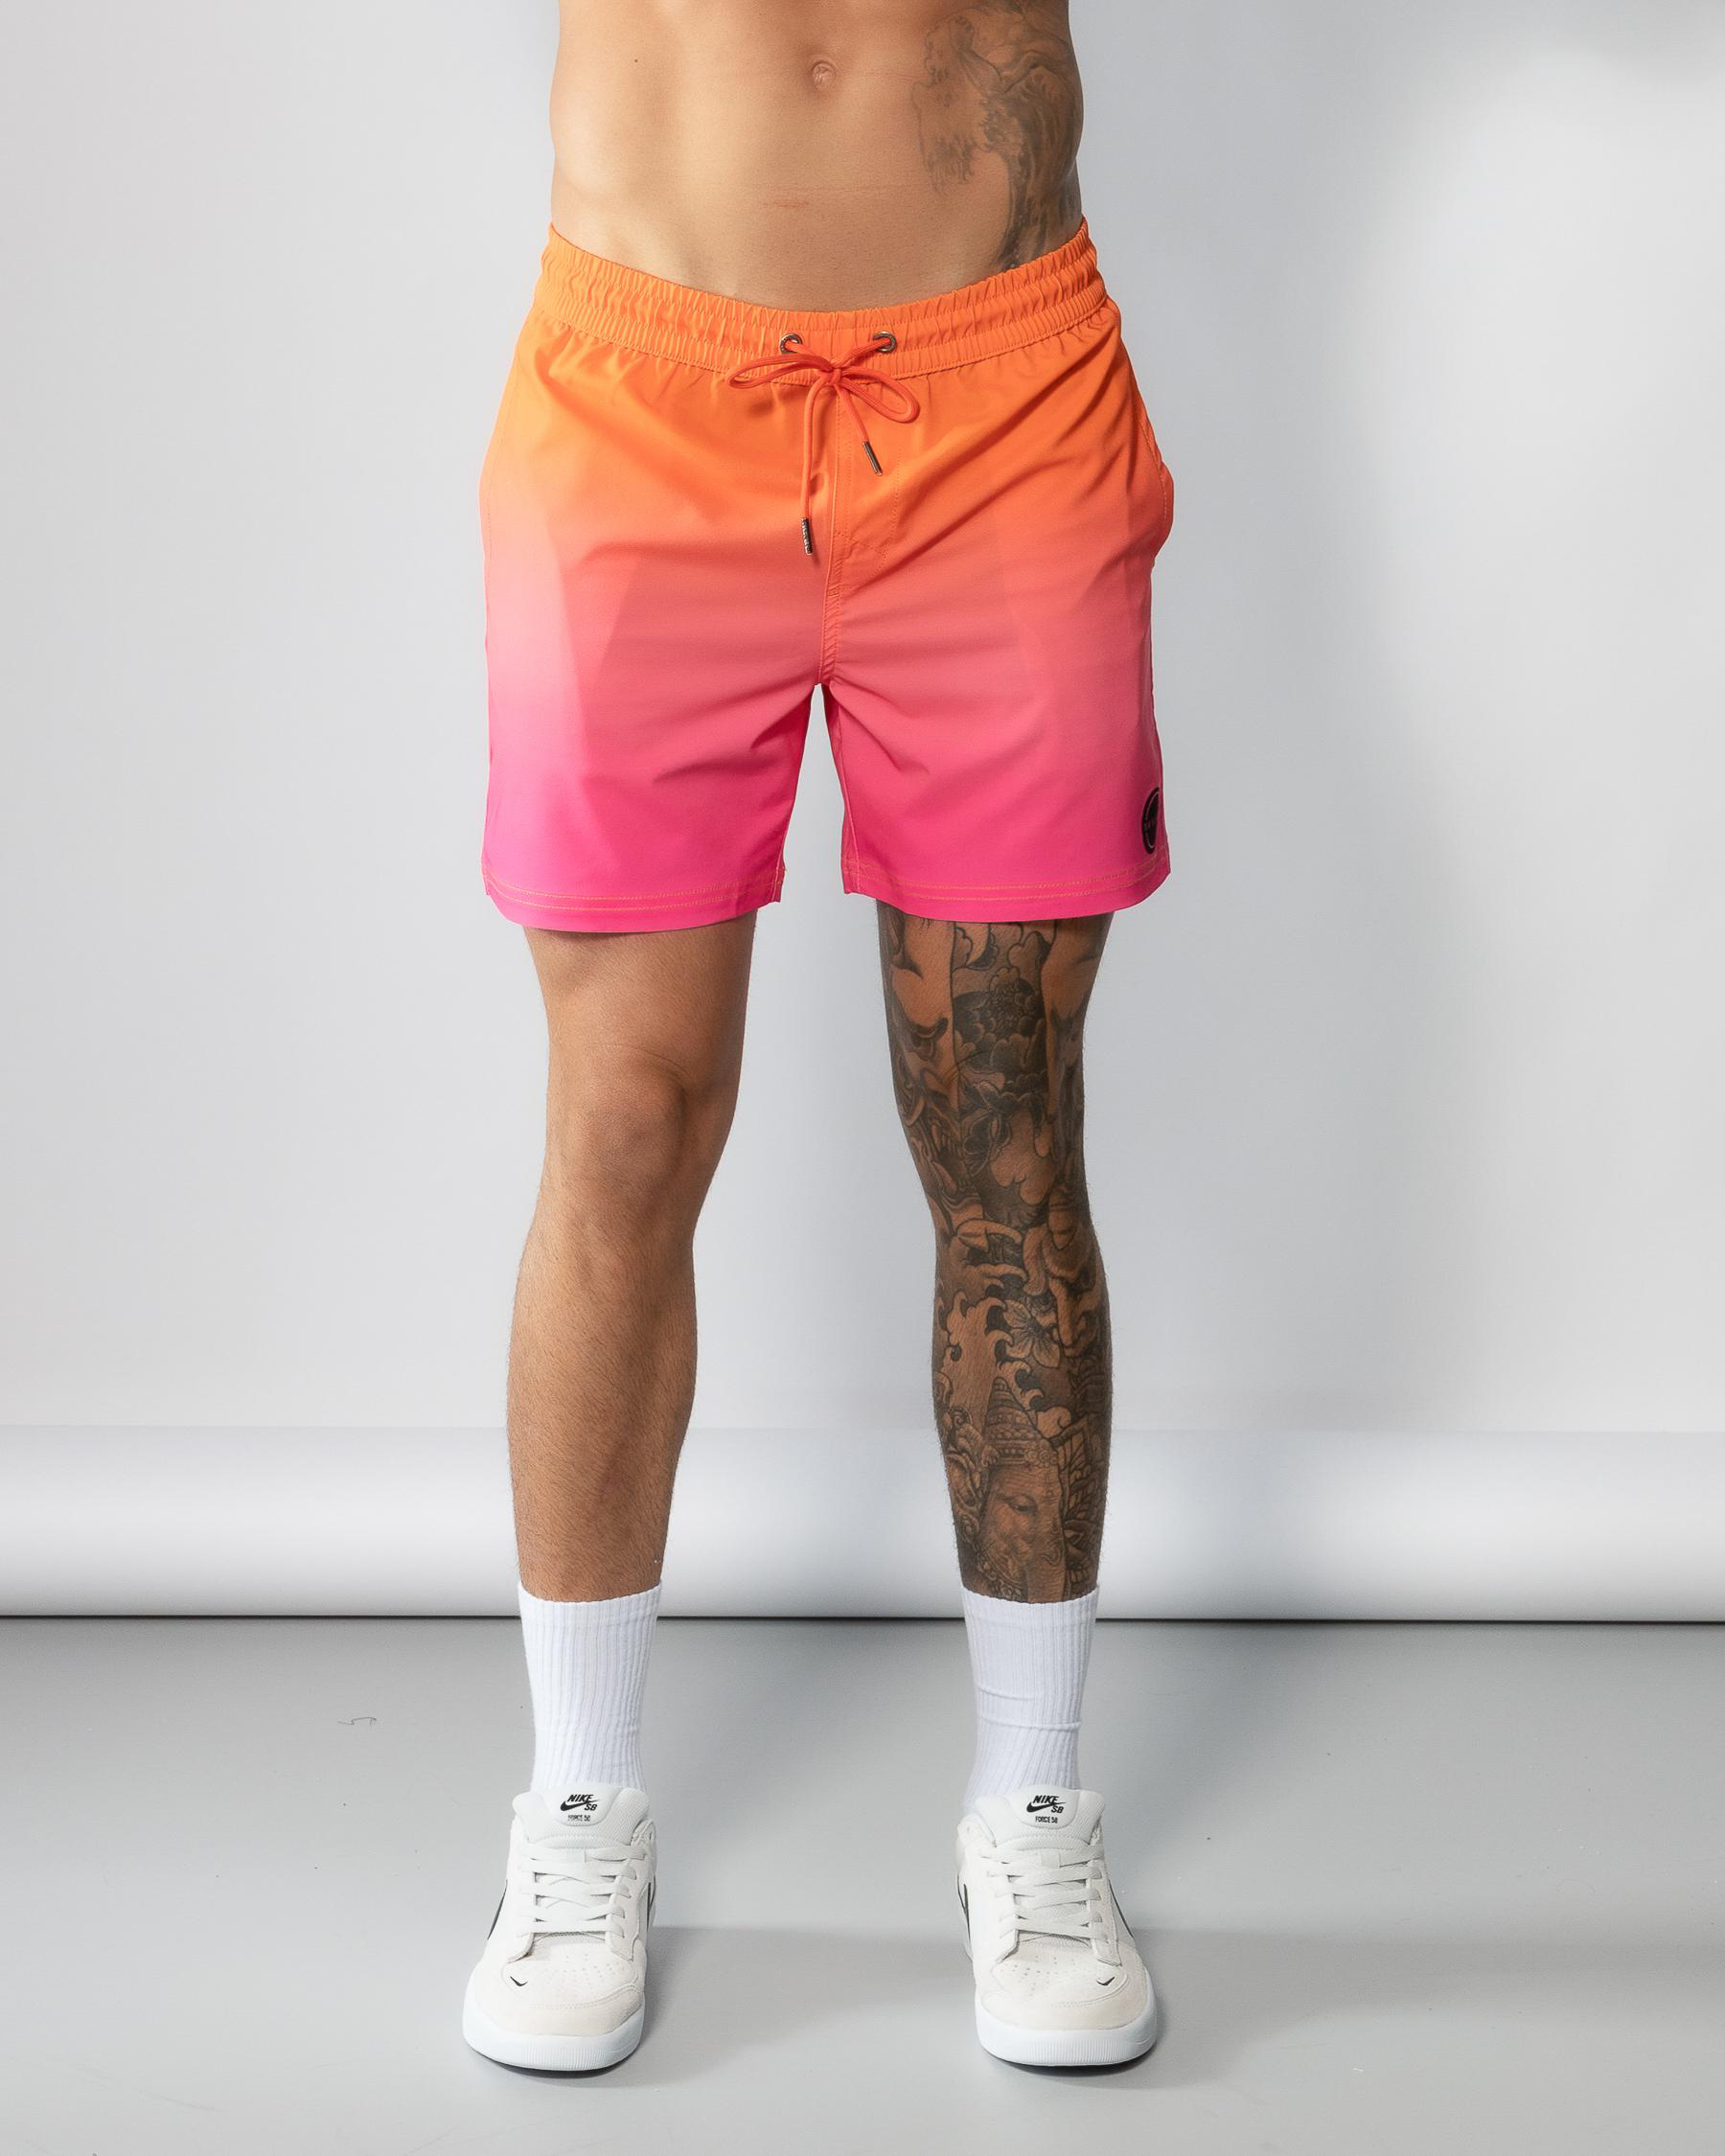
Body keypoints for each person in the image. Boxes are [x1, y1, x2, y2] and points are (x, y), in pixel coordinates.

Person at [463, 0, 1174, 2073]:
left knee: (1007, 1128)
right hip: (641, 390)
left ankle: (1032, 1803)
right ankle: (578, 1799)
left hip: (1005, 398)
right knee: (623, 1125)